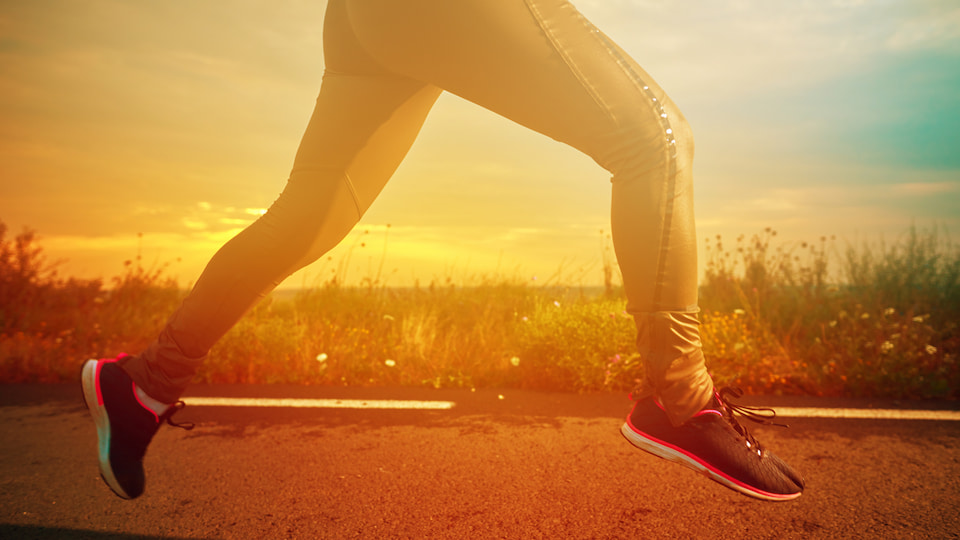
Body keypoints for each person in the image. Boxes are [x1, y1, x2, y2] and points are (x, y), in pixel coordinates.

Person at [81, 0, 804, 502]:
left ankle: (145, 383)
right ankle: (682, 402)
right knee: (656, 142)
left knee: (308, 218)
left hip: (371, 19)